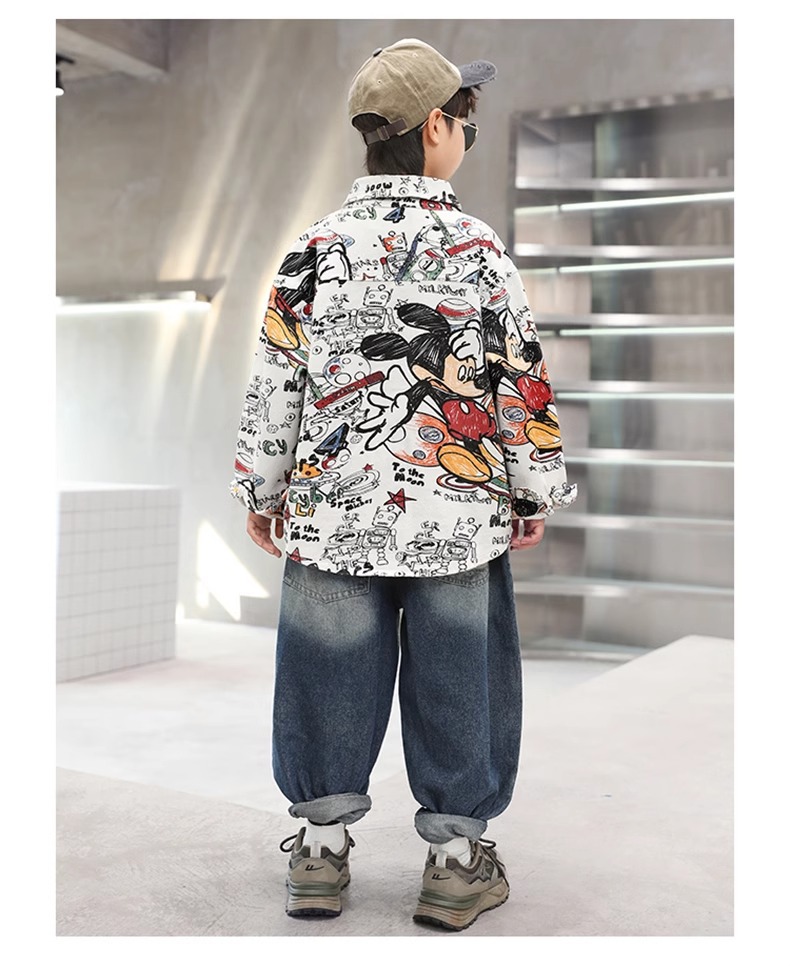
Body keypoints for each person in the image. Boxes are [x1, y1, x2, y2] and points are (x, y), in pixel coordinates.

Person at [229, 37, 578, 931]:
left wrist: (263, 491)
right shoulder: (478, 248)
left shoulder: (313, 249)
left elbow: (275, 381)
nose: (467, 137)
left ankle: (319, 854)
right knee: (460, 679)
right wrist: (533, 489)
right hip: (455, 517)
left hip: (332, 514)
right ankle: (456, 864)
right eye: (465, 122)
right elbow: (519, 380)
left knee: (324, 673)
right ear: (434, 129)